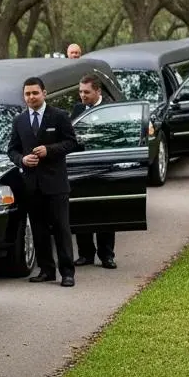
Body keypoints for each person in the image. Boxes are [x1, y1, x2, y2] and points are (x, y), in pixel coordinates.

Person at [7, 77, 79, 286]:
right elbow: (12, 149)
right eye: (27, 94)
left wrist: (50, 150)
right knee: (39, 230)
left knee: (61, 228)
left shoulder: (59, 116)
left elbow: (72, 142)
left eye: (35, 93)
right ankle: (47, 270)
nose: (31, 97)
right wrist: (22, 160)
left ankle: (67, 273)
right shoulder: (19, 120)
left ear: (44, 93)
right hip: (31, 185)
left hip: (56, 184)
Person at [69, 75, 117, 269]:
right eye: (80, 92)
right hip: (81, 166)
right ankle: (85, 254)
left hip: (103, 166)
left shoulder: (110, 110)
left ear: (98, 91)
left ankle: (107, 255)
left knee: (104, 210)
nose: (82, 96)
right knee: (82, 208)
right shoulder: (77, 109)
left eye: (86, 92)